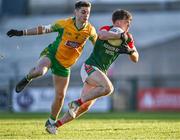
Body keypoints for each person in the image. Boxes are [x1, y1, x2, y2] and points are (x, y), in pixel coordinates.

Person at [6, 1, 97, 133]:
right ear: (75, 12)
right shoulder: (65, 24)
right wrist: (21, 32)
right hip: (52, 54)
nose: (86, 15)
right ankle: (27, 78)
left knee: (60, 96)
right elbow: (43, 29)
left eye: (88, 12)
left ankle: (51, 122)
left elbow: (99, 45)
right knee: (40, 71)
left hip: (64, 65)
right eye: (83, 12)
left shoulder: (90, 30)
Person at [46, 9, 139, 134]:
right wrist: (120, 36)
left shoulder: (128, 38)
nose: (129, 25)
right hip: (90, 67)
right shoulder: (107, 28)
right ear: (119, 21)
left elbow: (136, 59)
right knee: (108, 88)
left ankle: (55, 126)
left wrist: (130, 51)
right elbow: (102, 35)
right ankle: (75, 102)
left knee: (84, 107)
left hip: (100, 73)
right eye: (127, 22)